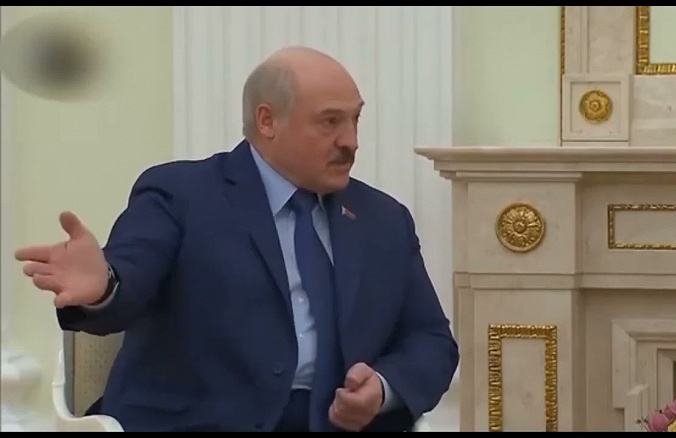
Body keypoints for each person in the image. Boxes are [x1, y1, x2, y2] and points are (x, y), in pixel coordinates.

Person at [14, 46, 459, 432]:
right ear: (267, 120)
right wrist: (104, 288)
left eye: (355, 119)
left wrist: (382, 388)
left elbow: (432, 341)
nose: (351, 141)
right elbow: (131, 281)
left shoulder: (384, 220)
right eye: (330, 122)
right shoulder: (180, 195)